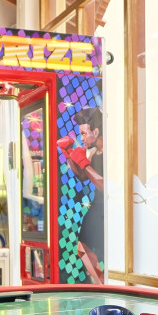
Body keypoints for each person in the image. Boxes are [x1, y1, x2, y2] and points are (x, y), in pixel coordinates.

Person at [58, 107, 104, 283]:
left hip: (108, 208)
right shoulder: (94, 153)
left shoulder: (110, 153)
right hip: (97, 206)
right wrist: (69, 154)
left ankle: (103, 282)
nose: (82, 138)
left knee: (98, 248)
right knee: (82, 248)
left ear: (96, 132)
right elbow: (83, 176)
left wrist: (84, 164)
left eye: (84, 134)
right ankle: (101, 283)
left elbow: (104, 186)